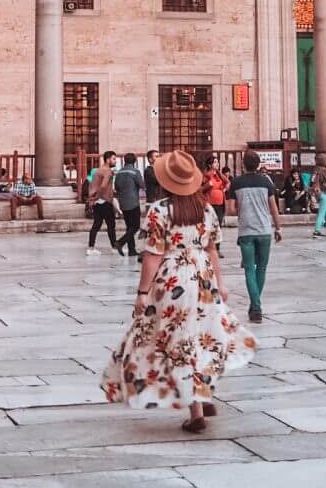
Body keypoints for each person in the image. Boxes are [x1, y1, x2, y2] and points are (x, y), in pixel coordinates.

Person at [101, 149, 255, 433]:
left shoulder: (159, 211)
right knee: (204, 337)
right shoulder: (206, 209)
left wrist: (142, 292)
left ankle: (196, 408)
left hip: (173, 281)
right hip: (203, 277)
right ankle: (204, 392)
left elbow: (153, 254)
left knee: (180, 342)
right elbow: (212, 250)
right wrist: (220, 283)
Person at [229, 149, 282, 323]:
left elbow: (231, 209)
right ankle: (255, 306)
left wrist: (242, 209)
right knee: (262, 268)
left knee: (249, 269)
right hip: (264, 230)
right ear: (259, 164)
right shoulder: (266, 183)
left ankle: (256, 307)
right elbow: (273, 208)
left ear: (243, 164)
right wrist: (278, 228)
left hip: (246, 231)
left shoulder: (236, 183)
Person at [87, 151, 118, 256]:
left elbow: (93, 184)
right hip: (104, 200)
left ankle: (91, 248)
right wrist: (98, 196)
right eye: (113, 159)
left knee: (96, 224)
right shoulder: (107, 171)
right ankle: (114, 247)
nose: (115, 161)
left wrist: (93, 198)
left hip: (97, 202)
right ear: (108, 159)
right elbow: (104, 186)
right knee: (111, 225)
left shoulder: (98, 170)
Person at [114, 153, 144, 258]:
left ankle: (132, 250)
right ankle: (120, 242)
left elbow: (116, 187)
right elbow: (141, 184)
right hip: (133, 202)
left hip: (123, 202)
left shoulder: (119, 172)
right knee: (135, 226)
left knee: (129, 227)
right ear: (134, 161)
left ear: (124, 161)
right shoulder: (135, 172)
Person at [202, 156, 230, 256]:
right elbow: (200, 189)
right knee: (209, 225)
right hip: (210, 203)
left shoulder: (219, 174)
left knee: (218, 226)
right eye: (214, 162)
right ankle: (208, 247)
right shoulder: (205, 175)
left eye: (217, 162)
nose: (217, 164)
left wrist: (224, 189)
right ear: (210, 165)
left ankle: (217, 248)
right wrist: (208, 185)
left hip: (220, 203)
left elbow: (227, 182)